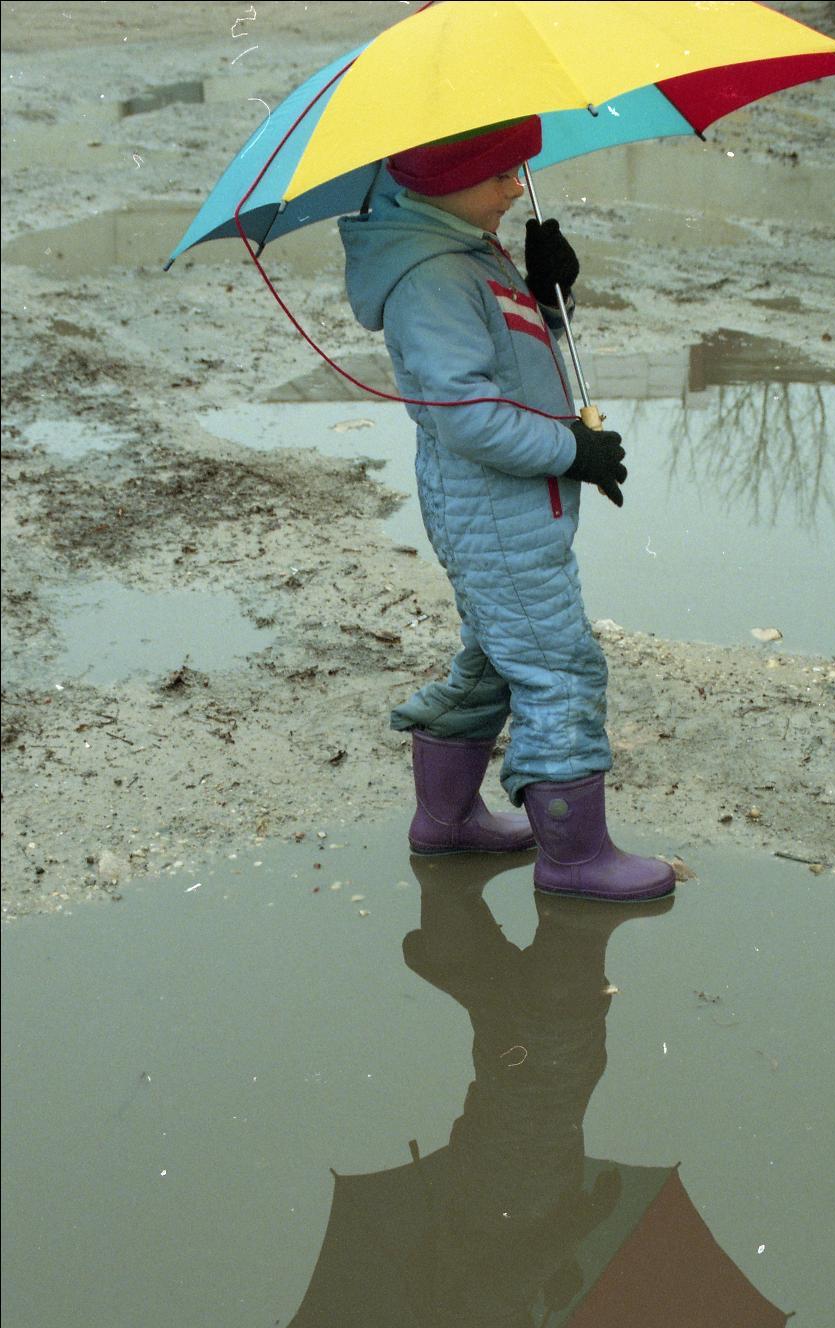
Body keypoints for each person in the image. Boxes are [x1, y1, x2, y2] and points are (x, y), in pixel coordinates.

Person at [340, 116, 675, 902]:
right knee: (558, 666)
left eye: (520, 169)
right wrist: (573, 450)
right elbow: (469, 417)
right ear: (444, 178)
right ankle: (575, 859)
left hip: (513, 502)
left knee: (498, 658)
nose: (516, 187)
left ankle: (447, 819)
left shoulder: (464, 246)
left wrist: (549, 298)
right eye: (499, 173)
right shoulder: (431, 278)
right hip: (493, 509)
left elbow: (512, 363)